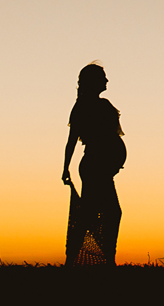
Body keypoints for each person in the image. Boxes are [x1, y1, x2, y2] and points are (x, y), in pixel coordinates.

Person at [62, 63, 126, 265]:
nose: (107, 81)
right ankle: (94, 259)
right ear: (93, 81)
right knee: (103, 213)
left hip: (101, 168)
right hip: (94, 167)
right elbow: (72, 140)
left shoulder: (102, 104)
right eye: (103, 77)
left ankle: (88, 258)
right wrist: (65, 168)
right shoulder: (83, 106)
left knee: (94, 213)